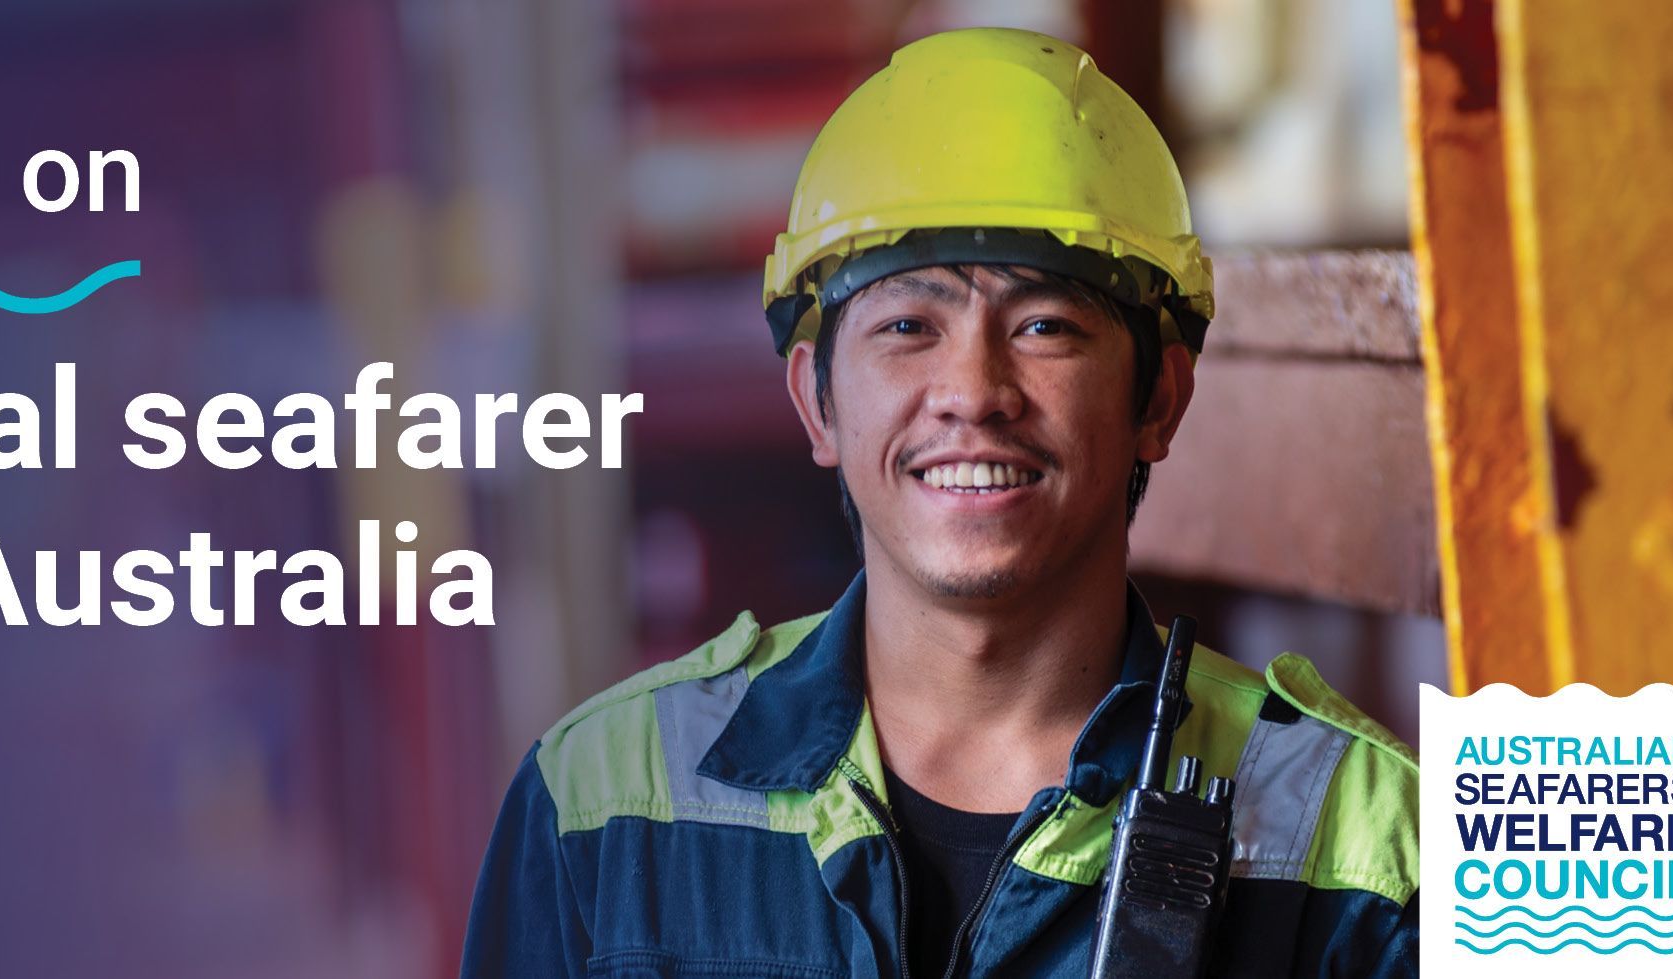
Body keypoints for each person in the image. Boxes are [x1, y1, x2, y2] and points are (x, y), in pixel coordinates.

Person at [459, 28, 1419, 979]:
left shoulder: (1369, 845)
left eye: (1044, 325)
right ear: (817, 403)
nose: (972, 392)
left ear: (1159, 400)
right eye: (909, 324)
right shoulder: (598, 808)